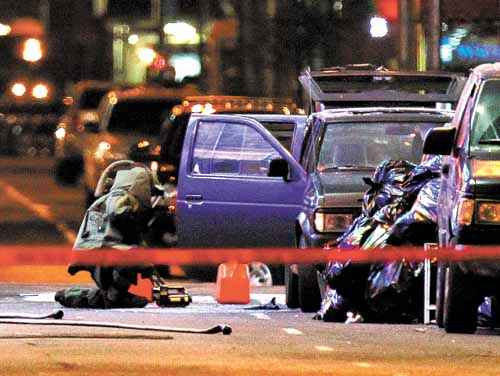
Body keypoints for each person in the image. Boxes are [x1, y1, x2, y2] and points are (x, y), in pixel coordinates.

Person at [55, 161, 162, 308]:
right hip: (99, 249)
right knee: (135, 257)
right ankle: (113, 296)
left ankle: (78, 296)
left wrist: (153, 273)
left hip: (97, 249)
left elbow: (131, 238)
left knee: (107, 296)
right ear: (140, 185)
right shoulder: (121, 196)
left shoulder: (107, 200)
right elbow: (116, 213)